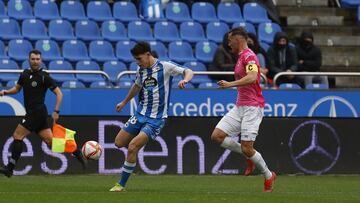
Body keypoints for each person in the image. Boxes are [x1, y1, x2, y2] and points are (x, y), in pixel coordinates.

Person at [109, 41, 194, 192]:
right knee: (118, 142)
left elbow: (188, 71)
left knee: (133, 146)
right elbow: (136, 86)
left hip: (156, 118)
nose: (137, 62)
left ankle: (121, 185)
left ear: (148, 55)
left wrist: (185, 80)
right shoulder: (141, 70)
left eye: (139, 59)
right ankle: (134, 154)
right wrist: (124, 102)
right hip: (140, 114)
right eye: (135, 59)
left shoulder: (165, 66)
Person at [0, 49, 87, 177]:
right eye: (33, 59)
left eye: (37, 59)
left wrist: (56, 111)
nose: (35, 62)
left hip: (37, 112)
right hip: (36, 114)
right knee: (51, 143)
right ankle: (76, 151)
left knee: (17, 135)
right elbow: (17, 88)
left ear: (41, 61)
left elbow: (59, 93)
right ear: (29, 60)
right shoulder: (24, 74)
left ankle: (10, 168)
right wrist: (6, 92)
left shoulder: (44, 77)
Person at [211, 27, 276, 192]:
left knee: (248, 147)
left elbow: (253, 77)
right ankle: (249, 156)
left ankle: (268, 176)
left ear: (237, 40)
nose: (228, 43)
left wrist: (229, 84)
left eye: (229, 40)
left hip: (253, 107)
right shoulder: (241, 57)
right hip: (240, 106)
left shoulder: (249, 56)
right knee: (217, 136)